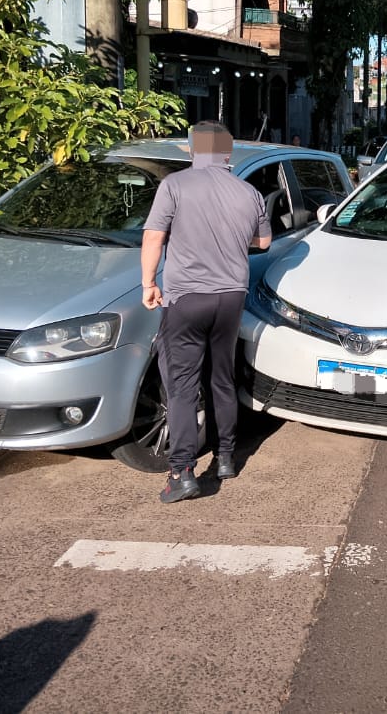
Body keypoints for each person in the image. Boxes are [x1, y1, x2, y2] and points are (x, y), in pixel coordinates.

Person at [141, 121, 271, 503]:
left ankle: (181, 471)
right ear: (228, 154)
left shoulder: (175, 185)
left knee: (181, 384)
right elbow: (263, 240)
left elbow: (153, 237)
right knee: (222, 377)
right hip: (231, 296)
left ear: (194, 151)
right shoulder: (248, 192)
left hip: (187, 298)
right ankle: (227, 457)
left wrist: (149, 283)